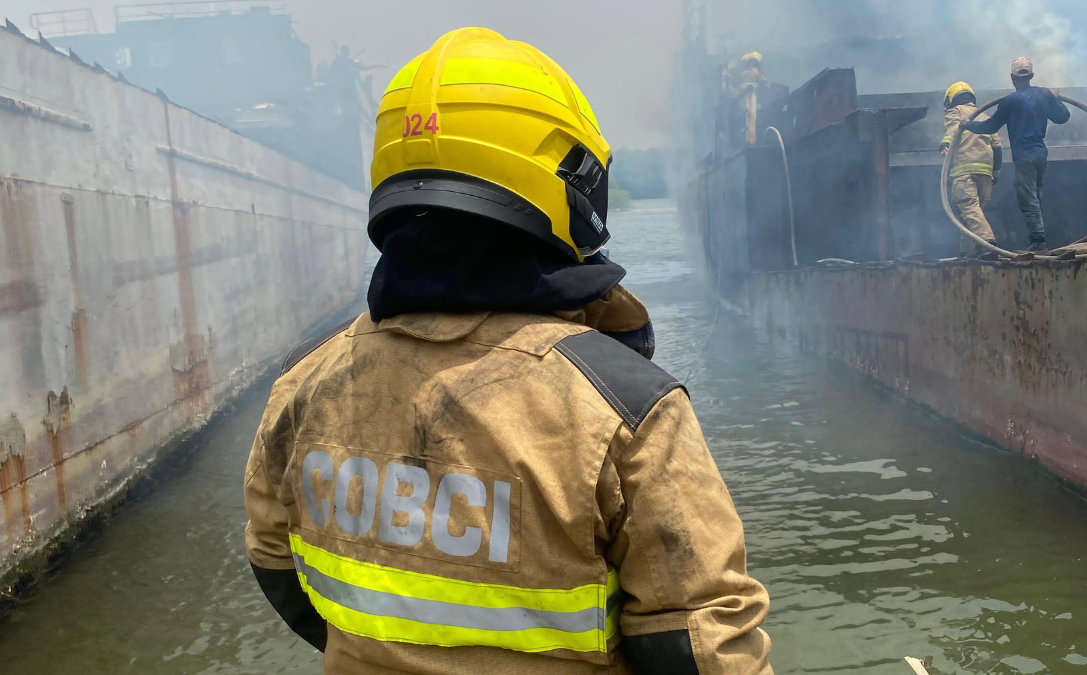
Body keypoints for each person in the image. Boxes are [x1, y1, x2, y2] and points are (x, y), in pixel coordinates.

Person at [243, 27, 774, 675]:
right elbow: (698, 645)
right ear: (567, 181)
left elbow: (277, 565)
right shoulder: (625, 407)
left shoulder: (305, 382)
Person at [962, 57, 1070, 252]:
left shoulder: (1010, 101)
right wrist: (1055, 99)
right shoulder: (1043, 94)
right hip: (1040, 155)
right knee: (1036, 196)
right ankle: (1039, 238)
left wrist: (968, 125)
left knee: (1028, 198)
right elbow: (1063, 117)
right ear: (1032, 76)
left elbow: (990, 126)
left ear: (1012, 77)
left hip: (1024, 156)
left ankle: (1038, 241)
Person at [940, 81, 1003, 259]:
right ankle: (967, 250)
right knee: (973, 213)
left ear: (951, 99)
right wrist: (996, 174)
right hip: (986, 175)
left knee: (969, 209)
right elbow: (997, 148)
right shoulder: (984, 116)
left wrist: (944, 143)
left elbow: (953, 129)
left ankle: (988, 243)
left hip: (965, 172)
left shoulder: (955, 111)